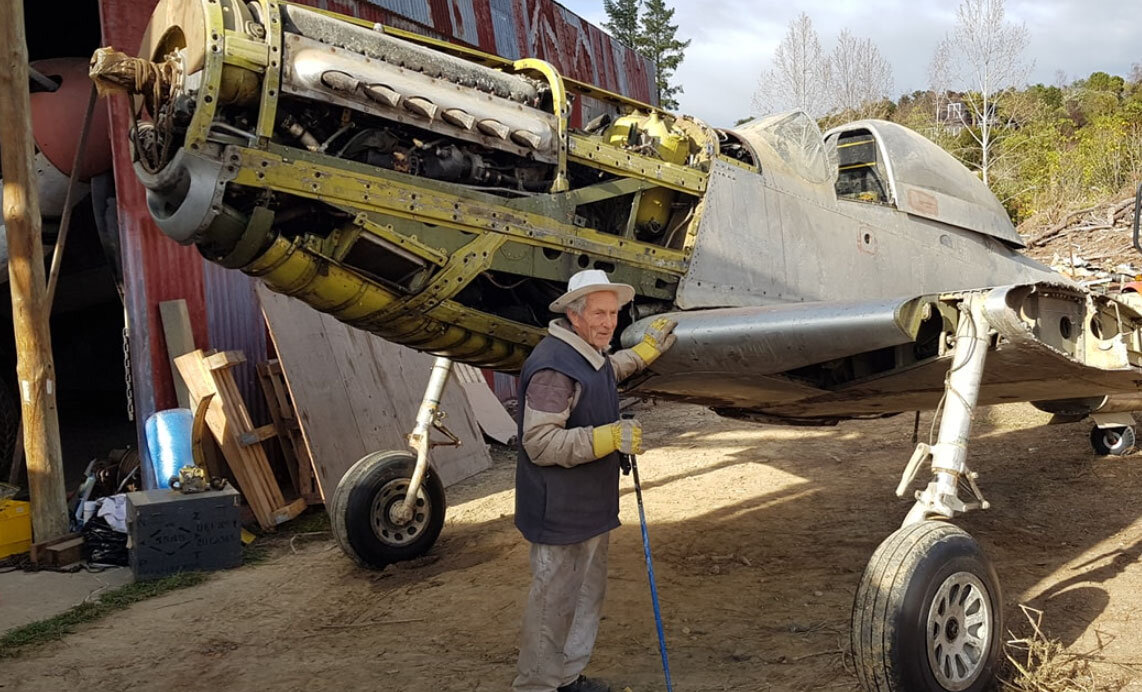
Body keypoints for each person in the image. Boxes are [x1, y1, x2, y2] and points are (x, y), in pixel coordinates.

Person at [512, 269, 677, 692]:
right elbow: (539, 442)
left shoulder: (586, 352)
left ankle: (566, 678)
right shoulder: (553, 366)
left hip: (588, 508)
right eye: (599, 313)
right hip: (561, 513)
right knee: (554, 607)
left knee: (584, 598)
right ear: (574, 314)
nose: (608, 323)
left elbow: (602, 373)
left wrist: (643, 353)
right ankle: (538, 687)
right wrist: (606, 437)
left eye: (614, 314)